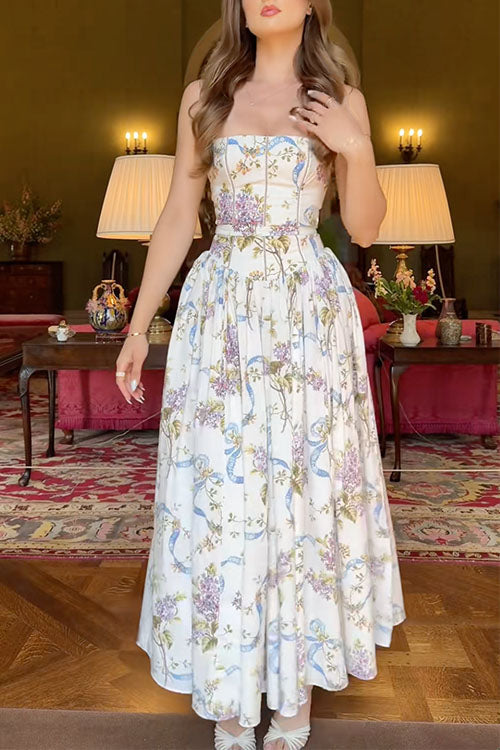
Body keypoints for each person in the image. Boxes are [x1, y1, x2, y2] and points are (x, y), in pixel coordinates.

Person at [114, 1, 406, 748]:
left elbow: (366, 228)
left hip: (308, 313)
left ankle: (294, 692)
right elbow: (178, 216)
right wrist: (140, 326)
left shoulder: (341, 99)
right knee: (226, 486)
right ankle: (231, 691)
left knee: (303, 489)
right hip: (223, 313)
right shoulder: (205, 95)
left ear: (313, 3)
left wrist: (354, 145)